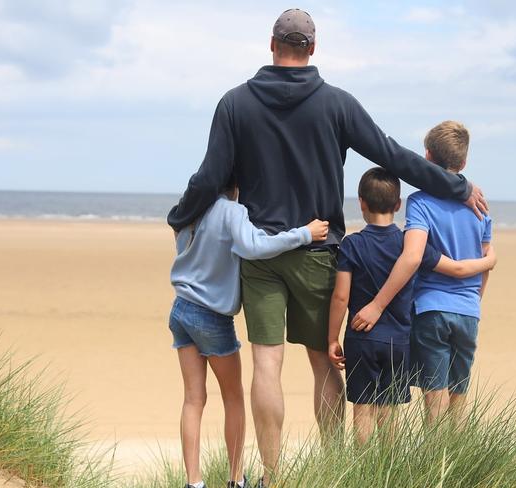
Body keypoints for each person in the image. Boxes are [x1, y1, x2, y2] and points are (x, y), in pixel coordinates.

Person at [167, 9, 488, 487]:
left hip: (262, 256)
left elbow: (211, 177)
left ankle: (271, 479)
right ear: (312, 49)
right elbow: (393, 155)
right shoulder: (336, 103)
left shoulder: (235, 103)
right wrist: (454, 186)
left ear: (271, 44)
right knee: (323, 360)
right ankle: (335, 470)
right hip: (321, 252)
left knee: (267, 364)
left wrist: (180, 215)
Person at [169, 174, 329, 488]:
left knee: (192, 399)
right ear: (237, 183)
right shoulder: (231, 211)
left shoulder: (188, 210)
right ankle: (236, 479)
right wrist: (304, 234)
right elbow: (255, 245)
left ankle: (194, 482)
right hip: (212, 316)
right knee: (233, 398)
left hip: (180, 309)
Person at [327, 167, 496, 444]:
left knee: (363, 409)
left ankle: (362, 471)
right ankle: (389, 469)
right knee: (389, 411)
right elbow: (453, 267)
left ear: (361, 203)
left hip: (361, 338)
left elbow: (341, 297)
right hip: (399, 340)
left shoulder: (351, 244)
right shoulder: (410, 245)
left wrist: (332, 338)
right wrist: (488, 261)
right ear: (397, 205)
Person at [350, 121, 493, 424]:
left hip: (431, 309)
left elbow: (413, 256)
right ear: (464, 162)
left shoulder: (420, 202)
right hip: (469, 311)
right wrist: (473, 301)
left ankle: (433, 465)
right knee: (459, 395)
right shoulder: (480, 207)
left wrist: (377, 305)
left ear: (426, 158)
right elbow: (485, 263)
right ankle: (456, 461)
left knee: (435, 399)